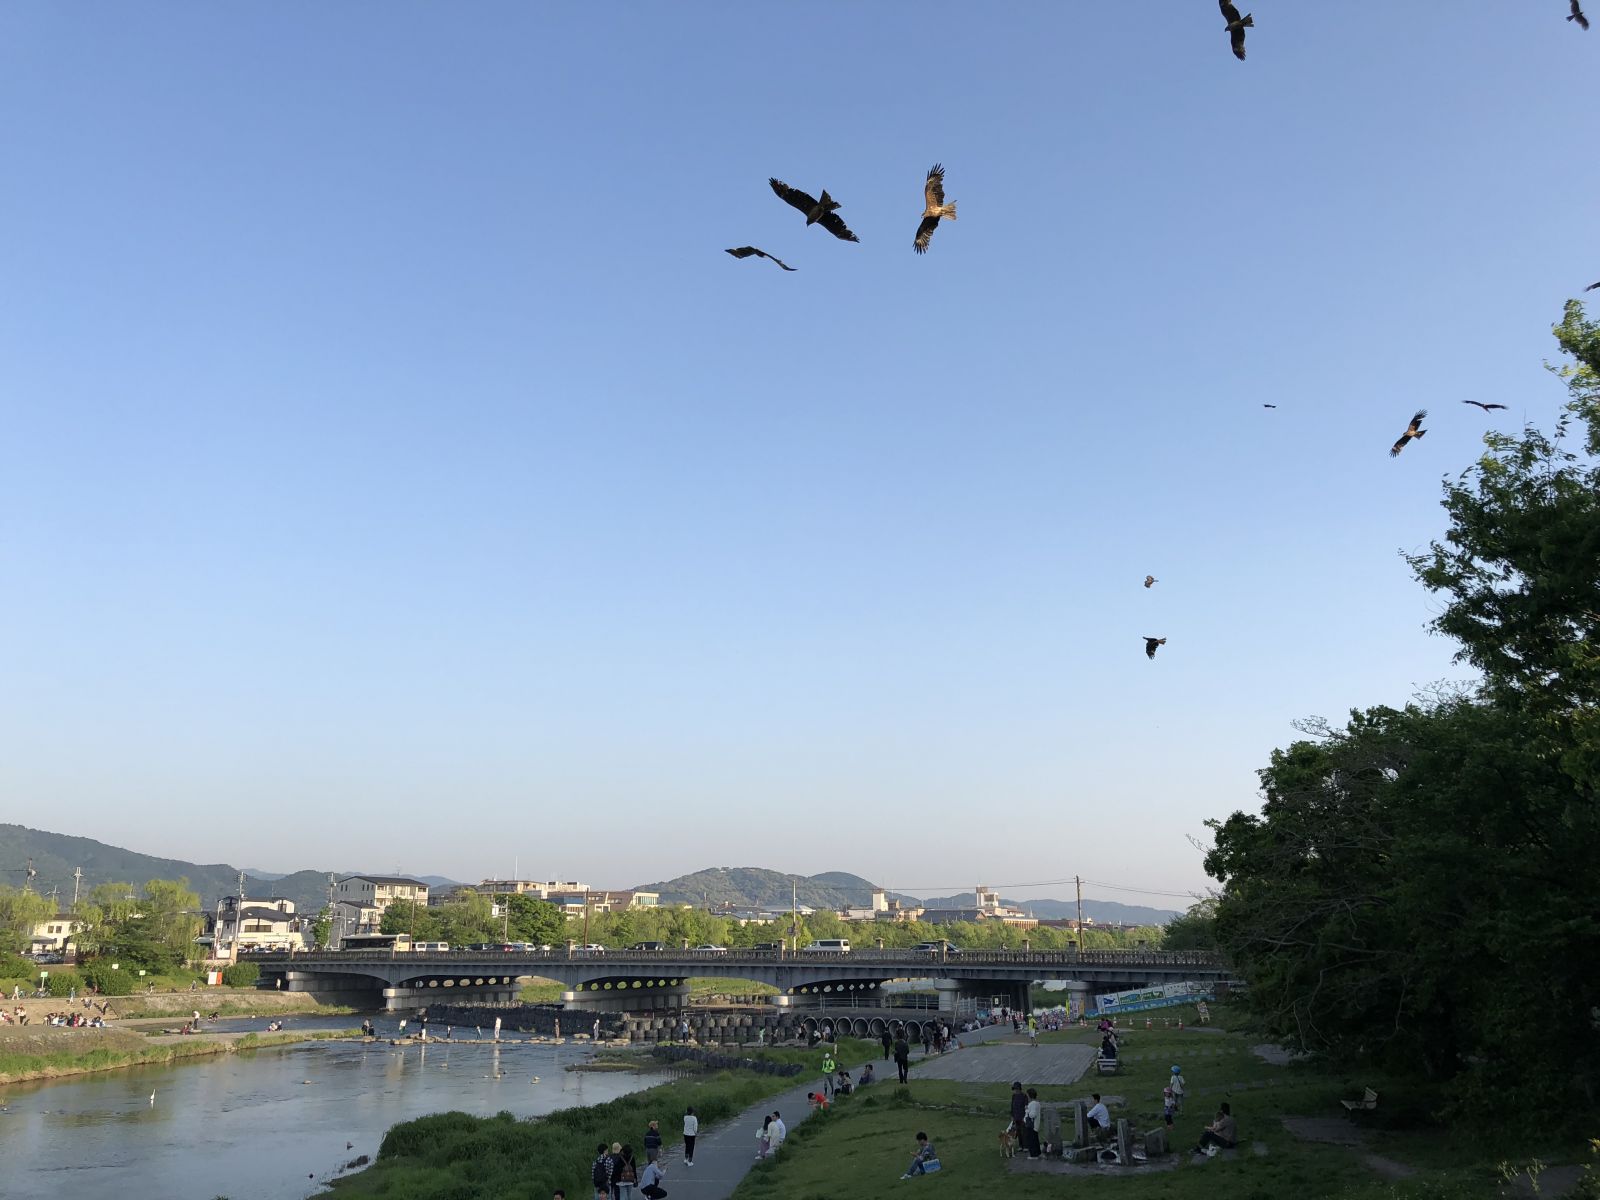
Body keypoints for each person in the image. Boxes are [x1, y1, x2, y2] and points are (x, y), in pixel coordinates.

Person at [1024, 1088, 1043, 1159]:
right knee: (1035, 1139)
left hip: (1031, 1125)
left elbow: (1033, 1114)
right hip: (1035, 1125)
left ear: (1029, 1095)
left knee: (1031, 1140)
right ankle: (1037, 1152)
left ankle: (1034, 1155)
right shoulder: (1037, 1103)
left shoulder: (1033, 1104)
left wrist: (1027, 1110)